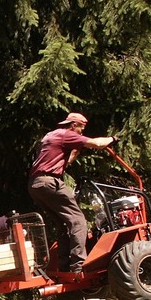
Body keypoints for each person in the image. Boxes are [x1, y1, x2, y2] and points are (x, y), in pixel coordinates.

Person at [27, 112, 117, 274]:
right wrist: (113, 139)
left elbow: (66, 161)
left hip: (36, 184)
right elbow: (97, 143)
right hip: (50, 182)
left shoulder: (51, 136)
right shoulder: (66, 135)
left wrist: (77, 149)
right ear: (74, 125)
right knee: (78, 221)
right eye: (81, 129)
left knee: (63, 224)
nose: (81, 133)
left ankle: (64, 266)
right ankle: (79, 265)